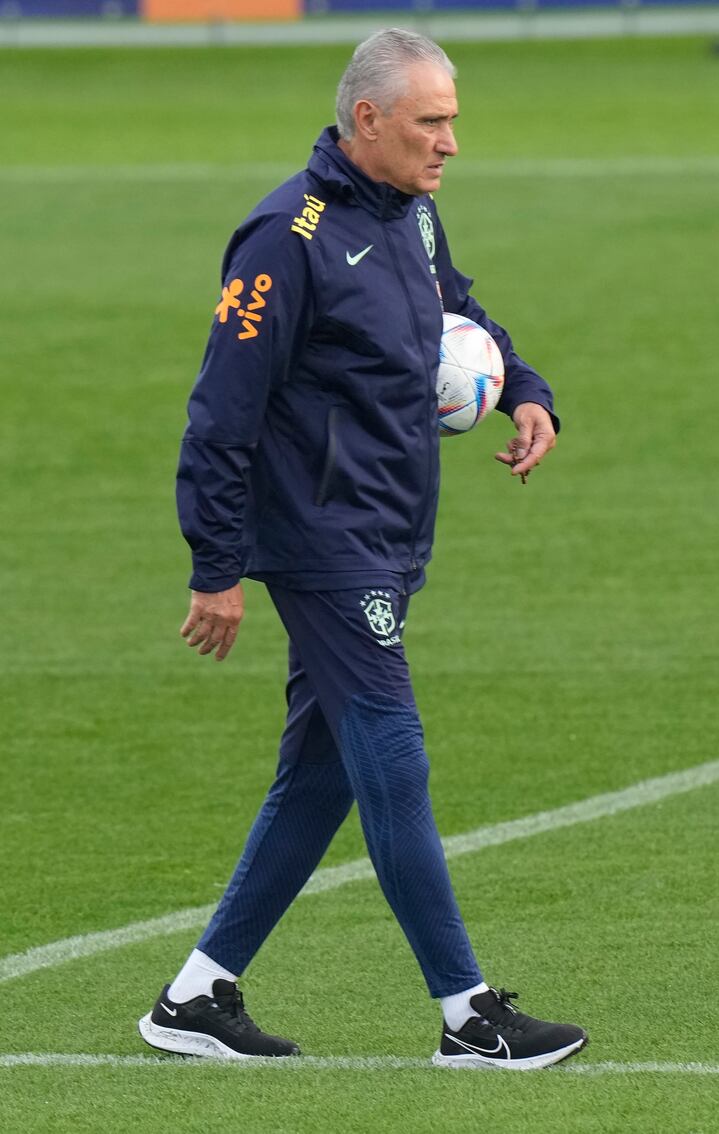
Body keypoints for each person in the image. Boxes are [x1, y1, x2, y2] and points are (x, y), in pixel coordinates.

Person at [138, 27, 587, 1070]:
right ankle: (468, 1015)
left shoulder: (410, 216)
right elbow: (219, 414)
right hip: (321, 537)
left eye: (454, 121)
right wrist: (216, 566)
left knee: (322, 772)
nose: (450, 144)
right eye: (431, 122)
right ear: (368, 120)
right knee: (392, 752)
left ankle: (196, 997)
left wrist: (522, 387)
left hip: (383, 530)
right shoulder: (282, 240)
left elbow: (455, 309)